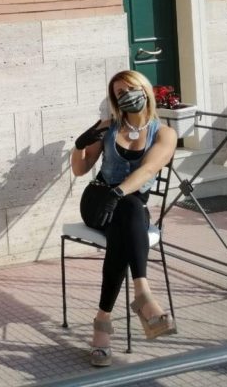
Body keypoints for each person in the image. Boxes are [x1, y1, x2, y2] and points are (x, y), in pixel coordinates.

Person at [70, 70, 178, 367]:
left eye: (131, 88)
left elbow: (148, 170)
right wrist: (79, 146)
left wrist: (118, 193)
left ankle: (102, 321)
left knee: (127, 215)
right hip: (97, 201)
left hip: (125, 204)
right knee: (129, 213)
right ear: (115, 100)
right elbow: (80, 170)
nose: (126, 95)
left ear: (145, 90)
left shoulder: (164, 133)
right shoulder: (108, 127)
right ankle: (143, 295)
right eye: (119, 93)